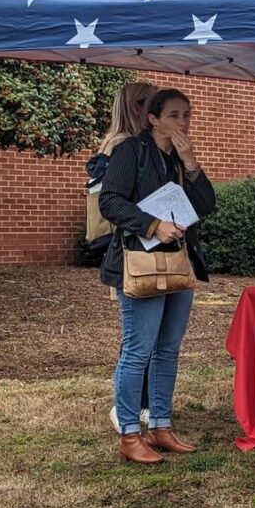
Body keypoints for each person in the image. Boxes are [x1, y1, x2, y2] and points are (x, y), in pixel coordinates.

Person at [99, 88, 216, 464]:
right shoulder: (131, 151)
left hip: (179, 264)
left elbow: (205, 205)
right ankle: (130, 434)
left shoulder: (178, 158)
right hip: (140, 263)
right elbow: (111, 201)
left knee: (168, 349)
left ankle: (161, 426)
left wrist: (192, 163)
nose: (183, 122)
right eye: (174, 116)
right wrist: (152, 225)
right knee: (138, 350)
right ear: (153, 119)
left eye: (187, 115)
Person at [90, 82, 158, 436]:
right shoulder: (123, 147)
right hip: (131, 253)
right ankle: (126, 407)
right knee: (136, 339)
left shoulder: (131, 145)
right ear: (136, 109)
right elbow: (114, 203)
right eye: (152, 104)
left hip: (138, 252)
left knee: (141, 337)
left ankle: (140, 404)